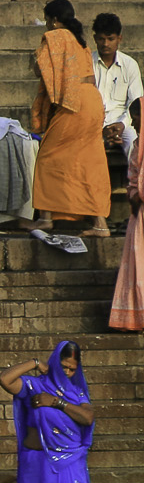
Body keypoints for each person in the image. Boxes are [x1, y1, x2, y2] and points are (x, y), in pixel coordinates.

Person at [1, 341, 93, 483]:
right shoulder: (34, 386)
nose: (68, 372)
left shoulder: (76, 393)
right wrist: (34, 363)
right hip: (38, 463)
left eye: (72, 368)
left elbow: (87, 418)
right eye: (64, 367)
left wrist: (56, 402)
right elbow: (5, 380)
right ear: (53, 363)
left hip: (70, 463)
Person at [31, 0, 110, 235]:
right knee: (89, 161)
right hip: (93, 101)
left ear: (54, 21)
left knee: (48, 156)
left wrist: (33, 61)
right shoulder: (81, 42)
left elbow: (42, 69)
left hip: (74, 102)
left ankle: (46, 217)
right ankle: (100, 223)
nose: (46, 25)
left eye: (46, 20)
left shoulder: (56, 37)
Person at [114, 100, 144, 331]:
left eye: (136, 117)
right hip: (139, 215)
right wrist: (134, 193)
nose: (133, 123)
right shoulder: (136, 145)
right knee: (138, 268)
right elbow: (133, 176)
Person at [91, 14, 142, 148]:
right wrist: (100, 128)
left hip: (123, 122)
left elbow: (135, 102)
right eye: (101, 39)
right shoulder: (86, 63)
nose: (105, 44)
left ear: (119, 39)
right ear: (95, 39)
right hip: (92, 122)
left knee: (133, 142)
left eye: (110, 39)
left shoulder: (130, 65)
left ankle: (134, 170)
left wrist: (122, 124)